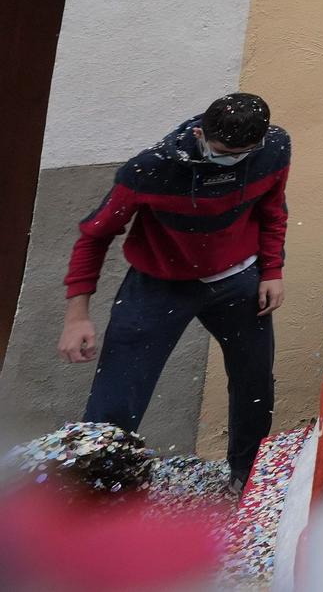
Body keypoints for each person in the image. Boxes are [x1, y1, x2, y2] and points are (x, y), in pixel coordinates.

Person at [58, 94, 288, 488]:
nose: (232, 161)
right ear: (200, 133)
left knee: (254, 384)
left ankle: (247, 478)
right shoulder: (149, 169)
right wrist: (77, 314)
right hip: (158, 286)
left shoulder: (274, 148)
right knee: (116, 397)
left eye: (242, 154)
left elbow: (272, 209)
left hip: (238, 280)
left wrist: (272, 271)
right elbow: (94, 236)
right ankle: (94, 491)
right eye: (222, 152)